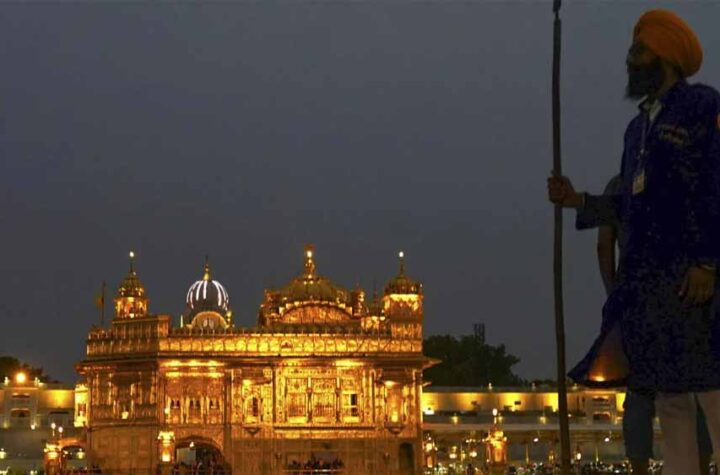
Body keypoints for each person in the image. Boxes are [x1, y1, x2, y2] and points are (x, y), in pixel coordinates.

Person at [548, 9, 720, 475]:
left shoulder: (702, 106)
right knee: (671, 400)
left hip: (693, 281)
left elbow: (714, 185)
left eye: (639, 50)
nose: (630, 59)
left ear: (665, 55)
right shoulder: (637, 129)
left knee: (712, 392)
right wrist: (577, 199)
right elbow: (630, 204)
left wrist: (707, 263)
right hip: (649, 286)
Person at [597, 175, 713, 475]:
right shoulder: (684, 176)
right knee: (695, 391)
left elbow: (604, 245)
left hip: (638, 298)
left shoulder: (620, 184)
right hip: (682, 296)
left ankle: (640, 468)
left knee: (640, 393)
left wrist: (614, 294)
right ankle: (699, 466)